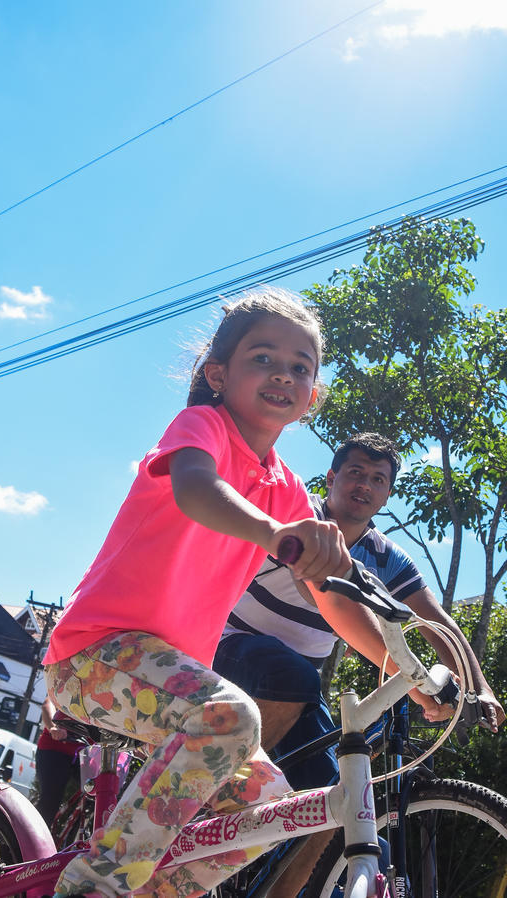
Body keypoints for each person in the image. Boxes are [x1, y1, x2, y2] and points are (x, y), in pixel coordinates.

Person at [42, 290, 432, 898]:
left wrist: (404, 669)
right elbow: (197, 490)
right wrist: (278, 535)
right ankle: (95, 887)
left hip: (174, 680)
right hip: (96, 652)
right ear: (218, 375)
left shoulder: (285, 491)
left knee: (272, 812)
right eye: (264, 358)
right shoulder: (204, 429)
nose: (284, 374)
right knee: (231, 718)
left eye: (301, 367)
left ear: (313, 395)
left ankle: (148, 891)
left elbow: (333, 598)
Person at [213, 431, 506, 898]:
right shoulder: (299, 515)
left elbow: (435, 621)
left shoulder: (387, 557)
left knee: (338, 804)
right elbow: (325, 591)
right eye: (354, 473)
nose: (364, 485)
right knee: (291, 673)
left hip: (297, 690)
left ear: (387, 494)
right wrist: (413, 680)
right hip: (230, 650)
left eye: (377, 479)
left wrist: (479, 687)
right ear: (330, 478)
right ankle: (210, 793)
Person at [35, 696, 82, 828]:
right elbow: (48, 704)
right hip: (54, 748)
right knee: (50, 800)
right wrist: (53, 727)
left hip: (84, 753)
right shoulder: (73, 682)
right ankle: (36, 840)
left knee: (100, 794)